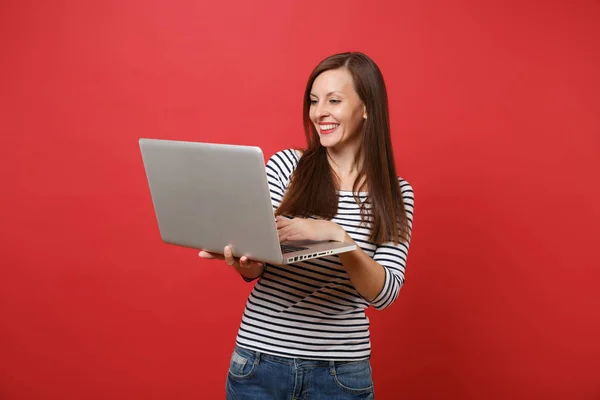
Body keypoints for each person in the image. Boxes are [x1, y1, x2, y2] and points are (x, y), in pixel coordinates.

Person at [199, 52, 414, 399]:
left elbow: (384, 294)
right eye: (314, 101)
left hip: (341, 374)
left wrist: (338, 236)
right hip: (259, 362)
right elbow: (257, 257)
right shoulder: (286, 167)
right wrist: (249, 264)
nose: (319, 112)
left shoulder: (395, 194)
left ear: (366, 108)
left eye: (334, 100)